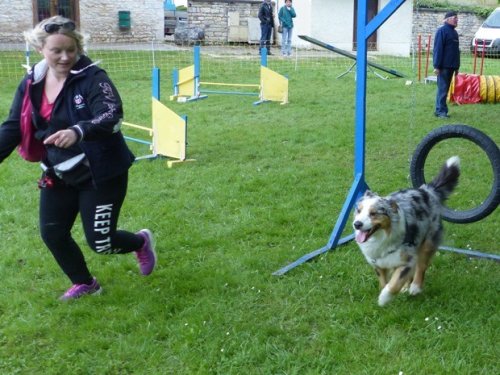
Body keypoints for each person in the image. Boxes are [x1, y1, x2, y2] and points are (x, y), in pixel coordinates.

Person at [0, 16, 156, 300]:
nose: (64, 57)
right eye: (56, 50)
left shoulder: (93, 77)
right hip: (58, 169)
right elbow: (13, 126)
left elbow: (112, 113)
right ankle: (86, 283)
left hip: (101, 171)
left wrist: (79, 130)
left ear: (79, 48)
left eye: (71, 50)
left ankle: (140, 242)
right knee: (53, 233)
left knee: (102, 242)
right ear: (40, 49)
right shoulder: (32, 82)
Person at [433, 11, 460, 118]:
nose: (457, 20)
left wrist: (457, 66)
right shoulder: (442, 31)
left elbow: (456, 51)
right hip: (443, 66)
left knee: (445, 89)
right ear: (447, 19)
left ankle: (441, 110)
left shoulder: (454, 32)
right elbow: (438, 49)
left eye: (457, 18)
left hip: (452, 66)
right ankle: (440, 111)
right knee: (442, 89)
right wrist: (436, 66)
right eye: (455, 17)